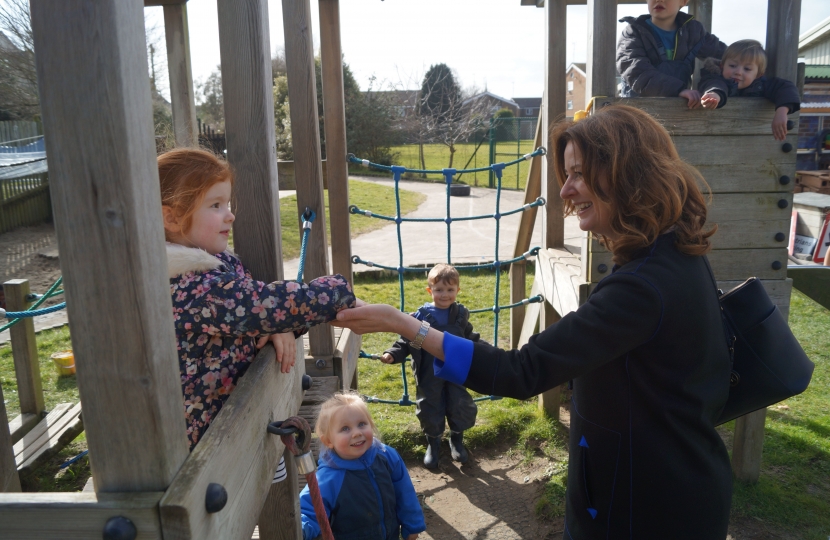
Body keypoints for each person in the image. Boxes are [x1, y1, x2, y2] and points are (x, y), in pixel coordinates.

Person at [333, 105, 734, 539]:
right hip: (659, 481)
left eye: (579, 174)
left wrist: (406, 325)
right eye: (566, 176)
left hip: (645, 506)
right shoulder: (673, 257)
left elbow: (521, 371)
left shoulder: (642, 288)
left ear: (627, 173)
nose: (566, 191)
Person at [159, 147, 355, 457]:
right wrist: (338, 290)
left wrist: (271, 326)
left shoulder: (215, 264)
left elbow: (252, 305)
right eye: (215, 205)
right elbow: (270, 303)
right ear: (170, 217)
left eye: (227, 202)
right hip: (212, 446)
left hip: (241, 419)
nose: (230, 214)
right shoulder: (191, 286)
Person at [380, 263, 479, 469]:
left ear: (457, 291)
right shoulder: (421, 318)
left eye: (450, 290)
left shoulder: (460, 315)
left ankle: (457, 440)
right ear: (430, 290)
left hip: (455, 371)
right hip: (428, 372)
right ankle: (433, 444)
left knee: (458, 403)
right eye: (439, 290)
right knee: (430, 406)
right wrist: (393, 353)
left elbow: (470, 337)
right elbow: (408, 341)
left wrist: (484, 351)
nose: (445, 295)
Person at [299, 392, 426, 540]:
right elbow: (309, 511)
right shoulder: (328, 478)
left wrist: (413, 525)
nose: (357, 433)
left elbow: (405, 493)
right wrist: (302, 529)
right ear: (328, 441)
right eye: (345, 428)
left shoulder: (387, 456)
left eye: (361, 424)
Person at [617, 0, 727, 107]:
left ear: (683, 1)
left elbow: (731, 57)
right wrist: (678, 90)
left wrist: (716, 90)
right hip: (639, 111)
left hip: (679, 108)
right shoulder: (633, 33)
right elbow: (636, 71)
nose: (659, 0)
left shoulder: (693, 31)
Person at [699, 39, 800, 141]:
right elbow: (715, 84)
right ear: (722, 66)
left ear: (758, 75)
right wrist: (715, 93)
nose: (738, 72)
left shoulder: (761, 85)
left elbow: (785, 88)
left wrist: (782, 112)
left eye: (747, 69)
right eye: (732, 66)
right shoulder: (715, 78)